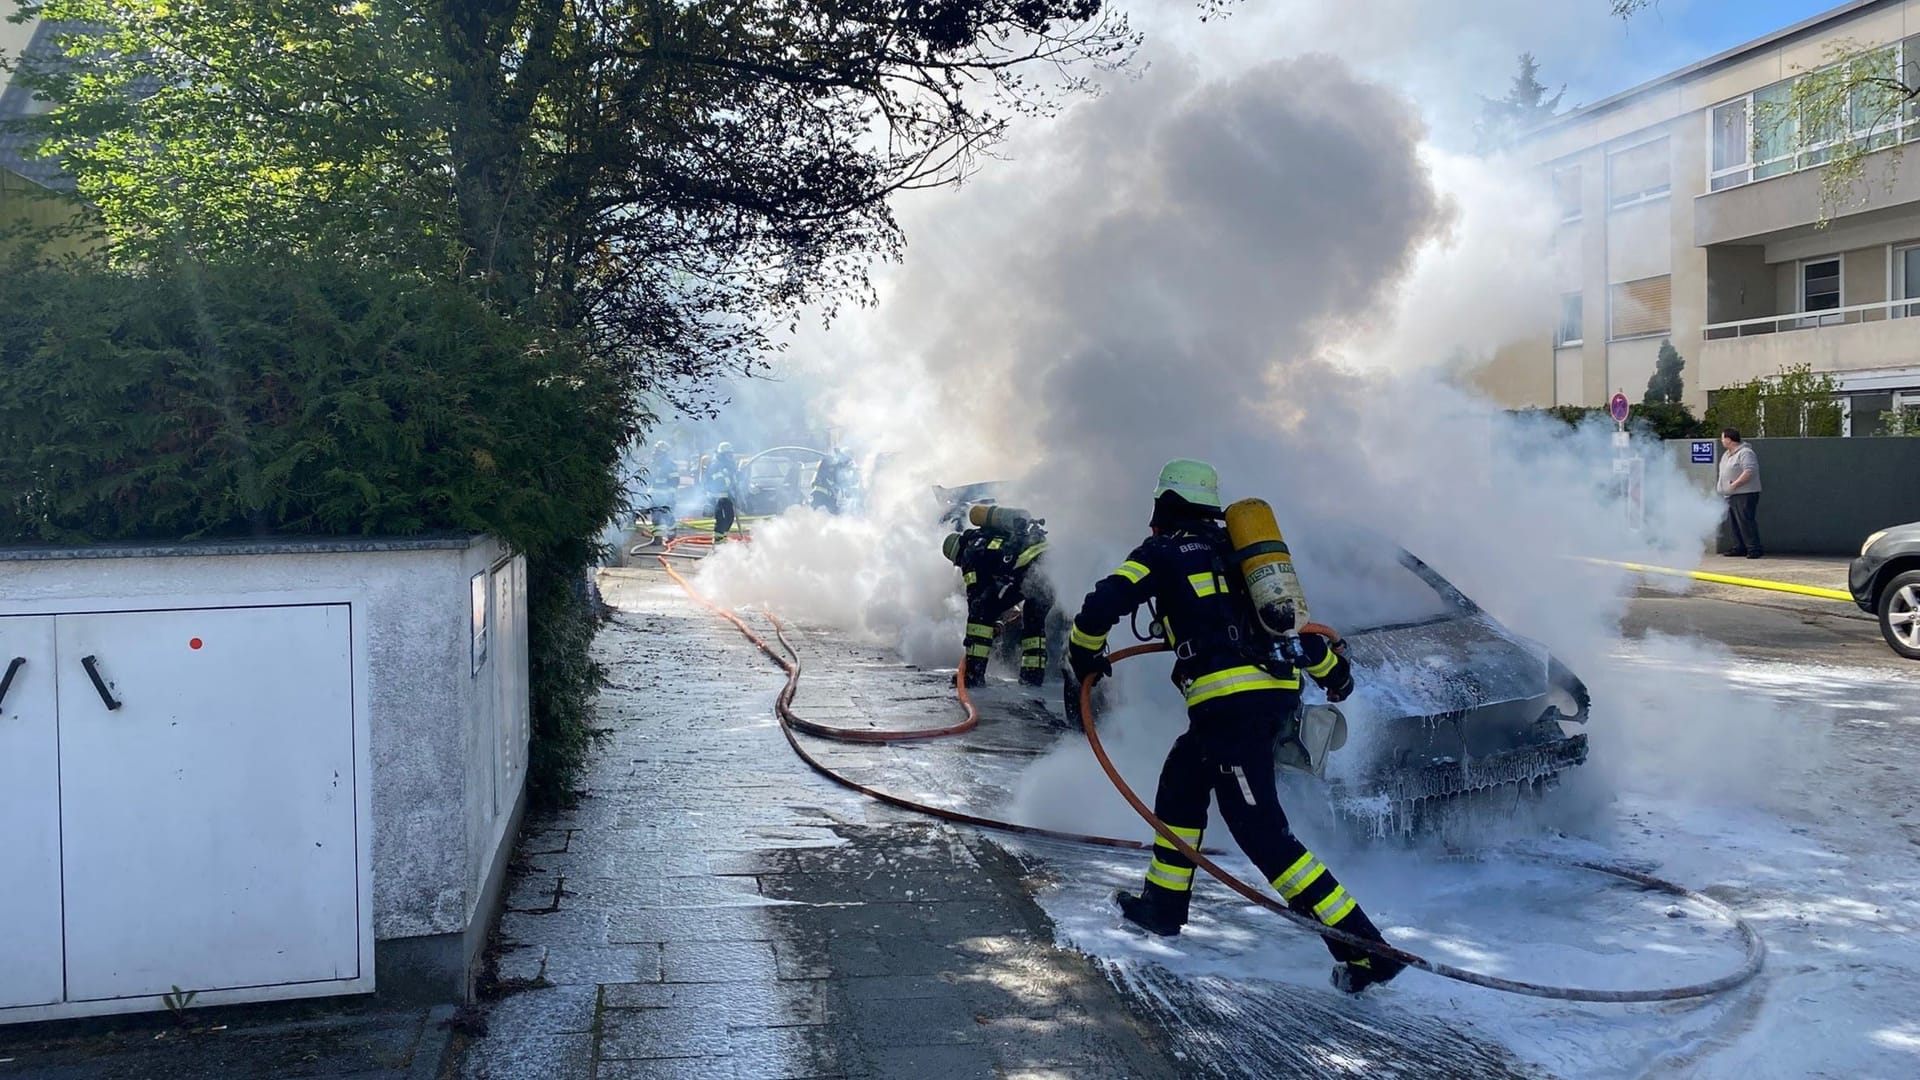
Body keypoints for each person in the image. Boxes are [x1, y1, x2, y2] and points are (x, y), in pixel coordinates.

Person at [1065, 459, 1405, 995]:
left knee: (1263, 835)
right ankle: (1161, 906)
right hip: (1262, 700)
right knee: (1181, 780)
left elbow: (1099, 607)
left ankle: (1366, 948)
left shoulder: (1162, 552)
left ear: (1165, 505)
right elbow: (1299, 634)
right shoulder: (1246, 558)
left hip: (1230, 708)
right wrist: (1335, 677)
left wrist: (1085, 658)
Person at [943, 506, 1051, 688]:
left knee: (979, 615)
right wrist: (997, 619)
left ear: (955, 554)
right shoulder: (988, 537)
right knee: (1034, 624)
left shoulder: (970, 554)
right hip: (1049, 566)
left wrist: (988, 622)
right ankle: (1032, 678)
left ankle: (973, 675)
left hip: (1030, 570)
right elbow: (998, 588)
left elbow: (977, 600)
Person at [1717, 428, 1763, 559]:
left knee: (1745, 521)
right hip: (1730, 494)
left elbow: (1750, 471)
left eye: (1722, 438)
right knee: (1734, 523)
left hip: (1745, 493)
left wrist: (1735, 484)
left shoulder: (1746, 453)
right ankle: (1739, 547)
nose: (1721, 441)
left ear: (1728, 439)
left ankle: (1754, 548)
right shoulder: (1727, 454)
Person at [705, 442, 742, 542]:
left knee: (730, 518)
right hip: (717, 498)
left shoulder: (729, 465)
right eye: (728, 454)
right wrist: (729, 485)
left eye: (731, 454)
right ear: (722, 454)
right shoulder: (715, 464)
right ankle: (717, 541)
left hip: (727, 497)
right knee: (721, 520)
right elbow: (718, 480)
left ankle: (723, 539)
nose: (730, 456)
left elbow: (734, 478)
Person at [811, 450, 858, 514]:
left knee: (836, 514)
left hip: (828, 497)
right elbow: (831, 480)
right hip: (820, 495)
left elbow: (844, 483)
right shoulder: (829, 462)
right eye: (847, 462)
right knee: (815, 514)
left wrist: (855, 473)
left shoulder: (836, 469)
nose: (846, 465)